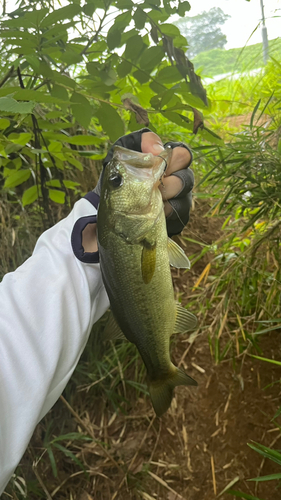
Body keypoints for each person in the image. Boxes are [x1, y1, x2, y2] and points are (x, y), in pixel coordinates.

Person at [0, 128, 194, 493]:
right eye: (116, 180)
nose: (116, 175)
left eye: (113, 181)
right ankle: (162, 371)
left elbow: (16, 329)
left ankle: (160, 368)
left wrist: (94, 211)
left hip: (120, 239)